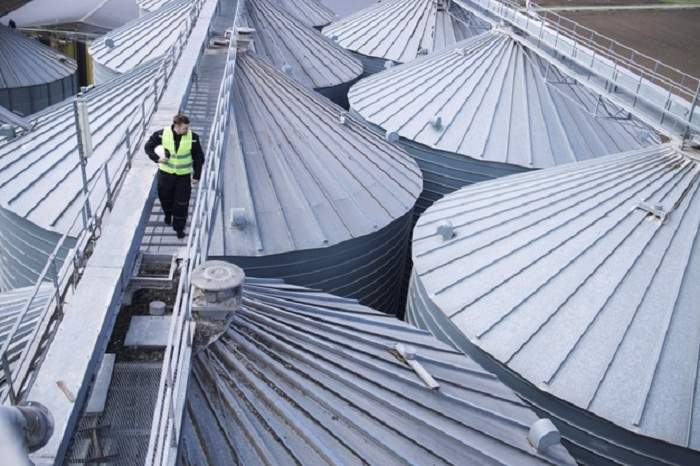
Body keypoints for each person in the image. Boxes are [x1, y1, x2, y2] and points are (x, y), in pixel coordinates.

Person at [144, 113, 204, 239]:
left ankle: (179, 228)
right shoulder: (161, 134)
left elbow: (199, 158)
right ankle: (167, 214)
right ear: (176, 126)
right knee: (165, 199)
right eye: (184, 128)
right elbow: (148, 147)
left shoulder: (193, 137)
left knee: (182, 204)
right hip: (165, 175)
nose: (187, 130)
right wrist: (156, 158)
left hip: (183, 177)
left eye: (187, 127)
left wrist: (196, 175)